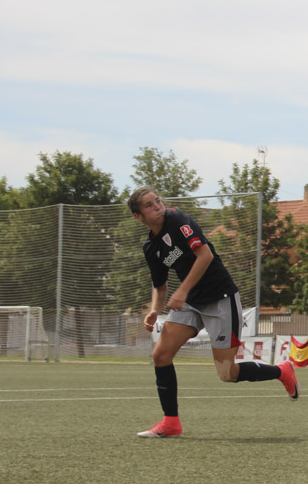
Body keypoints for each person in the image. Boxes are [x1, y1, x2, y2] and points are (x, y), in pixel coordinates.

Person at [128, 187, 298, 438]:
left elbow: (204, 255)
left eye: (158, 201)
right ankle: (171, 423)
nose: (157, 206)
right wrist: (154, 310)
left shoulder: (180, 221)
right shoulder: (151, 248)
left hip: (220, 298)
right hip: (190, 303)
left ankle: (282, 371)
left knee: (227, 374)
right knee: (161, 355)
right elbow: (160, 286)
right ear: (138, 216)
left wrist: (182, 291)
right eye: (149, 205)